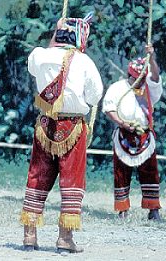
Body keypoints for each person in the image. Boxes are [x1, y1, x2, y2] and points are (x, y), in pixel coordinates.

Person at [20, 13, 103, 253]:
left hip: (45, 125)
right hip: (73, 127)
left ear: (56, 36)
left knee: (37, 176)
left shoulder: (40, 55)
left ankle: (29, 235)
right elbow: (95, 96)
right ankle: (65, 239)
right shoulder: (84, 61)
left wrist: (56, 34)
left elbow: (36, 64)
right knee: (71, 180)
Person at [102, 44, 163, 220]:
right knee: (121, 172)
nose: (139, 82)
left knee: (150, 171)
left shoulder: (148, 88)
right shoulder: (117, 88)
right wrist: (122, 123)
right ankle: (122, 209)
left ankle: (153, 209)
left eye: (142, 78)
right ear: (130, 75)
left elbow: (156, 76)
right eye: (137, 78)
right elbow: (109, 109)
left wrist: (151, 57)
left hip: (144, 135)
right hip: (124, 134)